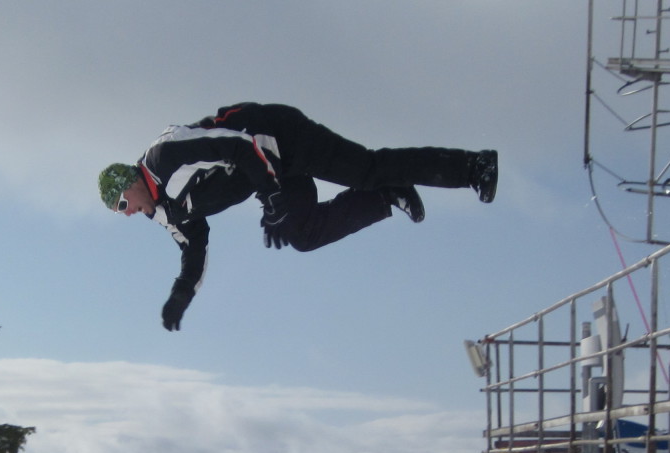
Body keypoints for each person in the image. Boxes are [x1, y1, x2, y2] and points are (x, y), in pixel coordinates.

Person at [98, 102, 497, 330]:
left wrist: (271, 198)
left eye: (121, 204)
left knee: (366, 168)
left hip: (278, 137)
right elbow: (194, 242)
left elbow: (241, 147)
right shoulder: (164, 213)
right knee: (302, 234)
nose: (127, 214)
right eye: (119, 212)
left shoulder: (166, 155)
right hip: (268, 173)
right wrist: (181, 294)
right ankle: (385, 198)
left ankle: (472, 167)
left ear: (128, 183)